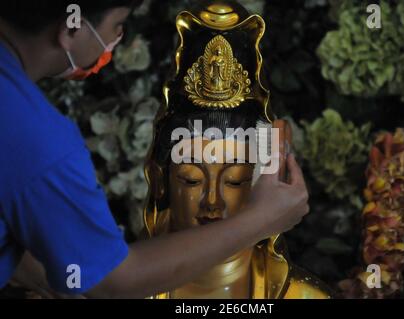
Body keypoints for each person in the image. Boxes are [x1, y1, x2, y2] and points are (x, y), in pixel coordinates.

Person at [0, 0, 310, 298]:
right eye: (117, 25)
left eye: (235, 180)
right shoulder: (38, 141)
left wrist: (23, 262)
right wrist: (263, 218)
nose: (213, 204)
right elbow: (116, 283)